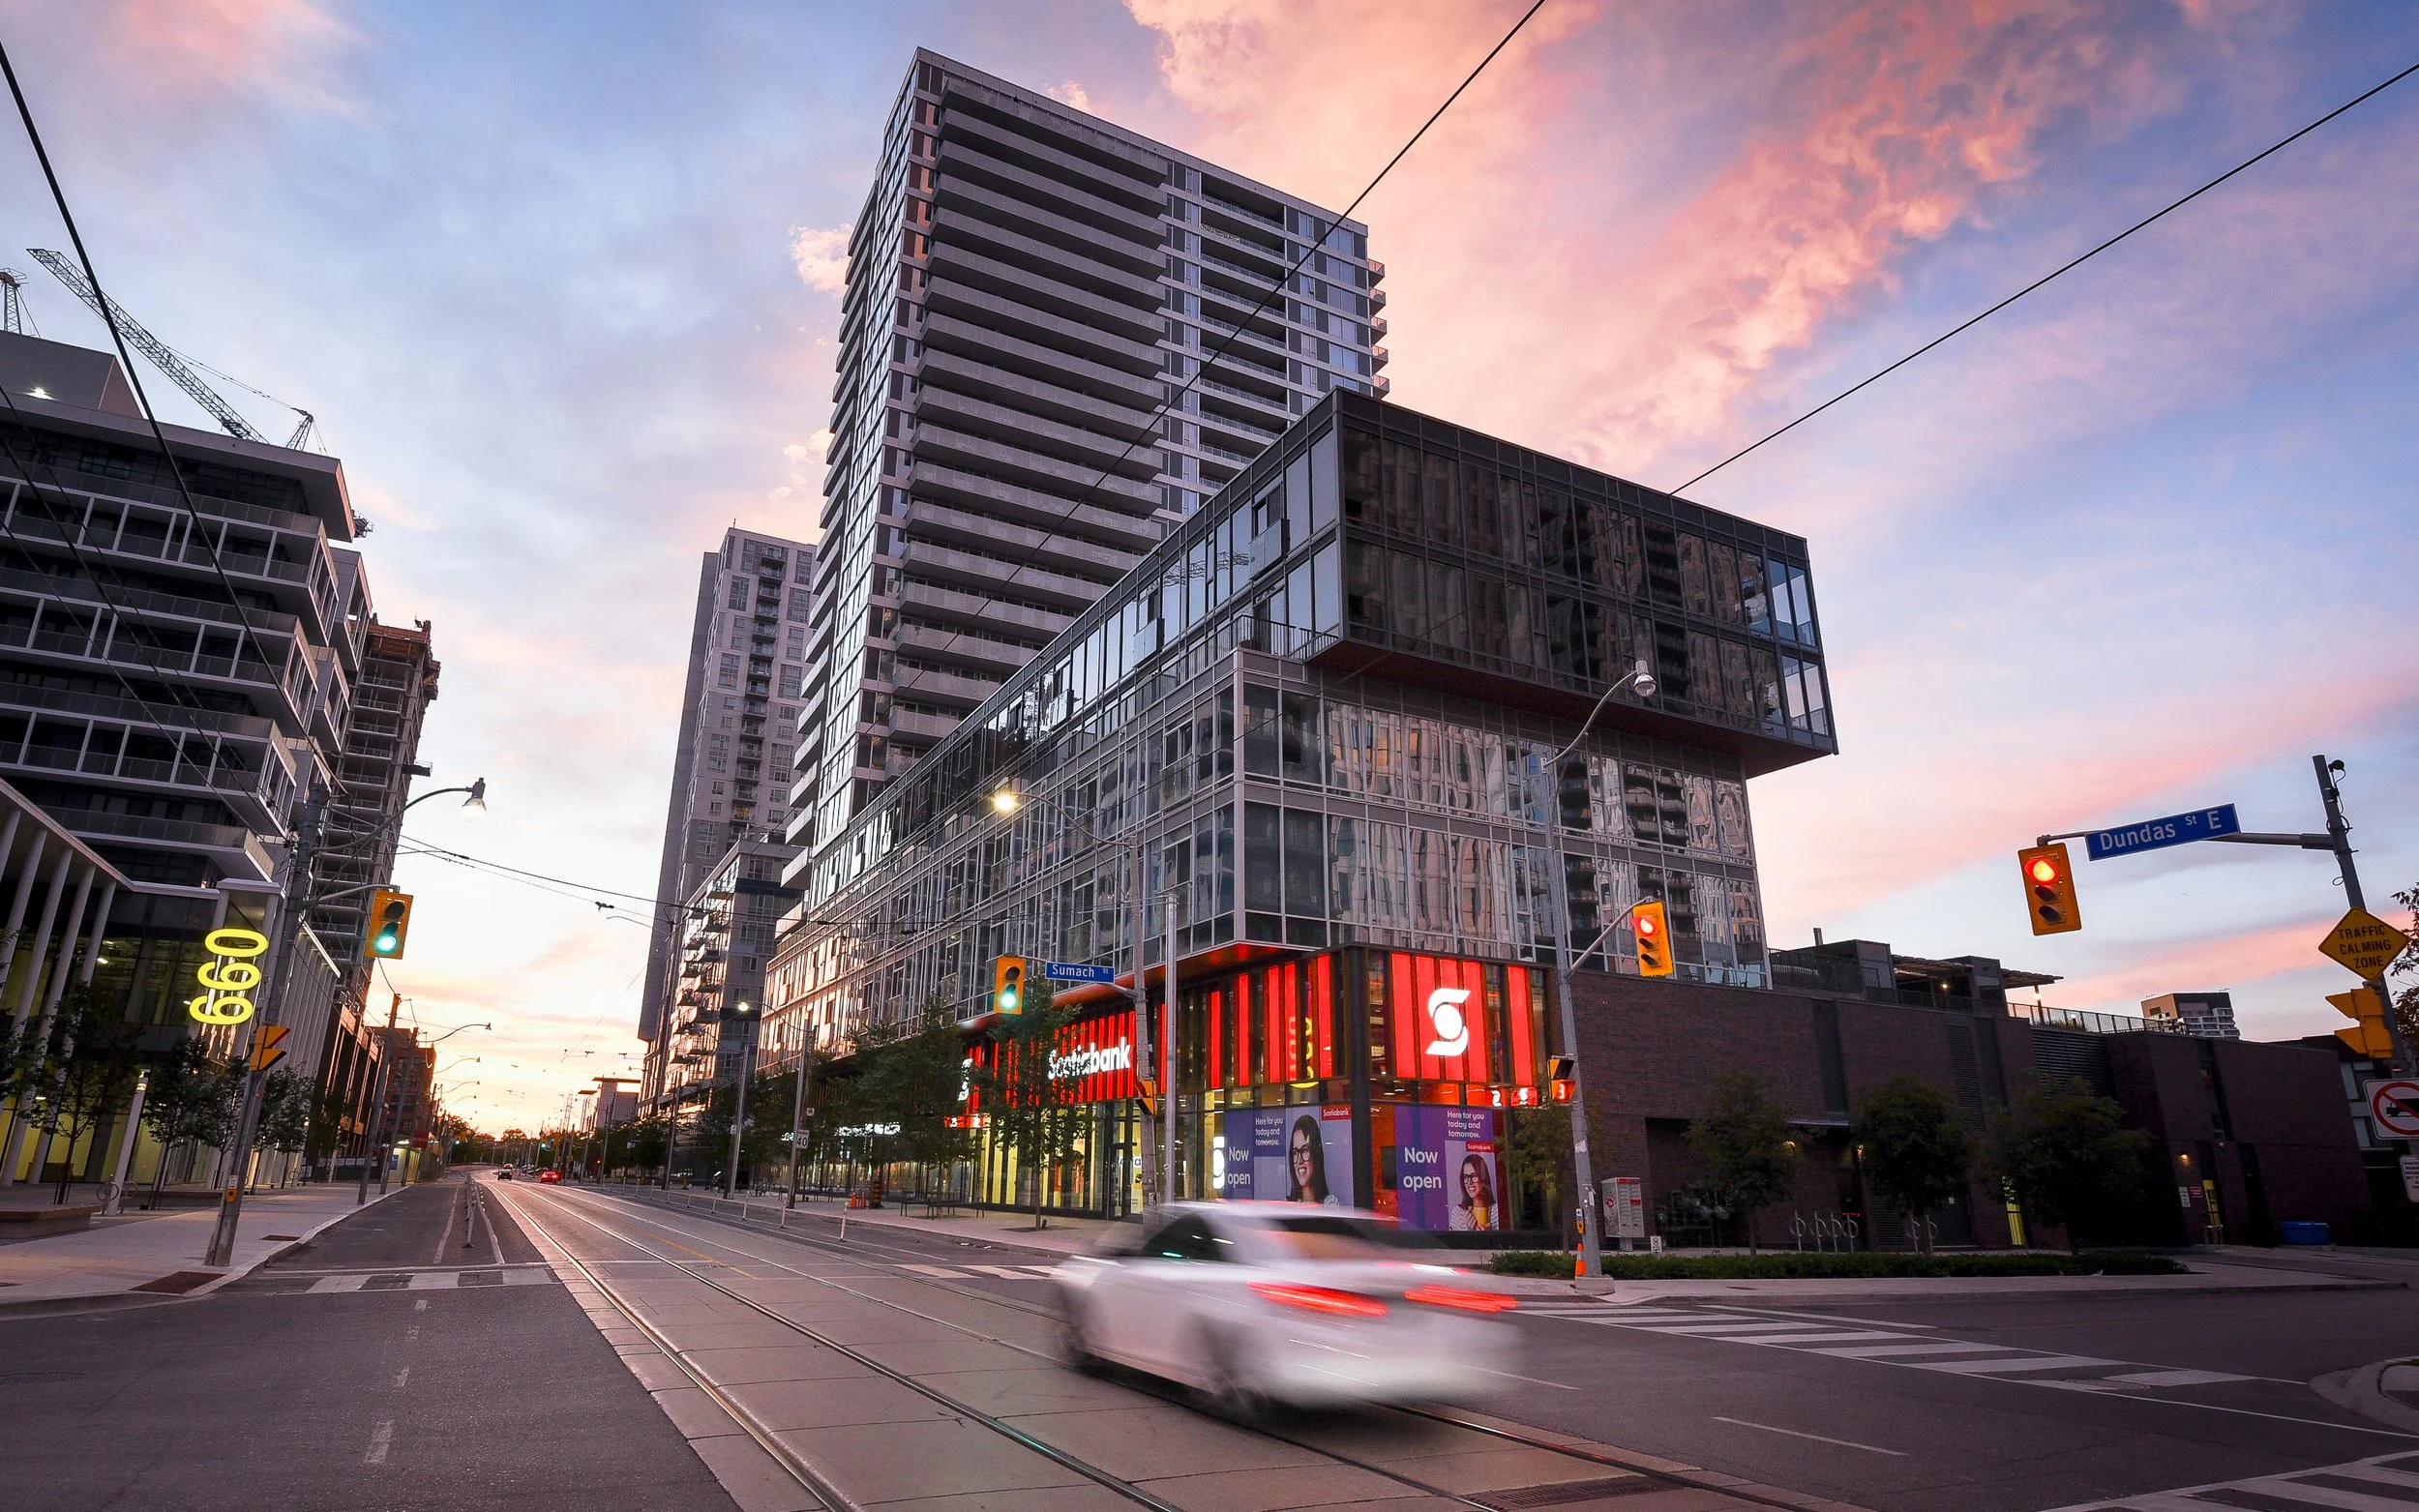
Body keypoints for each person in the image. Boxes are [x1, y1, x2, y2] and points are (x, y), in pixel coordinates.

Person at [1285, 1114, 1339, 1206]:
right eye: (1295, 1152)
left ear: (1315, 1154)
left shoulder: (1330, 1204)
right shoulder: (1287, 1205)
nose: (1299, 1160)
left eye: (1305, 1150)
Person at [1449, 1152, 1497, 1231]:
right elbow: (1453, 1243)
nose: (1469, 1182)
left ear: (1483, 1178)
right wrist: (1470, 1233)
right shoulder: (1458, 1213)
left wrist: (1489, 1236)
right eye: (1465, 1177)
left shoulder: (1496, 1211)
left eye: (1474, 1176)